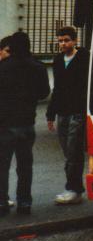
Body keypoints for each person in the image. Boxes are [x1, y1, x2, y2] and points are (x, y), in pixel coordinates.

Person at [0, 32, 50, 215]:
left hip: (5, 123)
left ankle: (2, 202)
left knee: (2, 166)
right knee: (25, 165)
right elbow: (44, 92)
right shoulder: (38, 67)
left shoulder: (3, 67)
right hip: (27, 121)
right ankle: (24, 202)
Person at [46, 26, 90, 206]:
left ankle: (74, 189)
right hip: (62, 112)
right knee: (67, 150)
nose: (63, 44)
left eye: (66, 40)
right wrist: (50, 114)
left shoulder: (84, 58)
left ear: (75, 41)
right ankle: (73, 188)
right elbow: (56, 88)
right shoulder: (57, 60)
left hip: (77, 111)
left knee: (73, 151)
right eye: (60, 41)